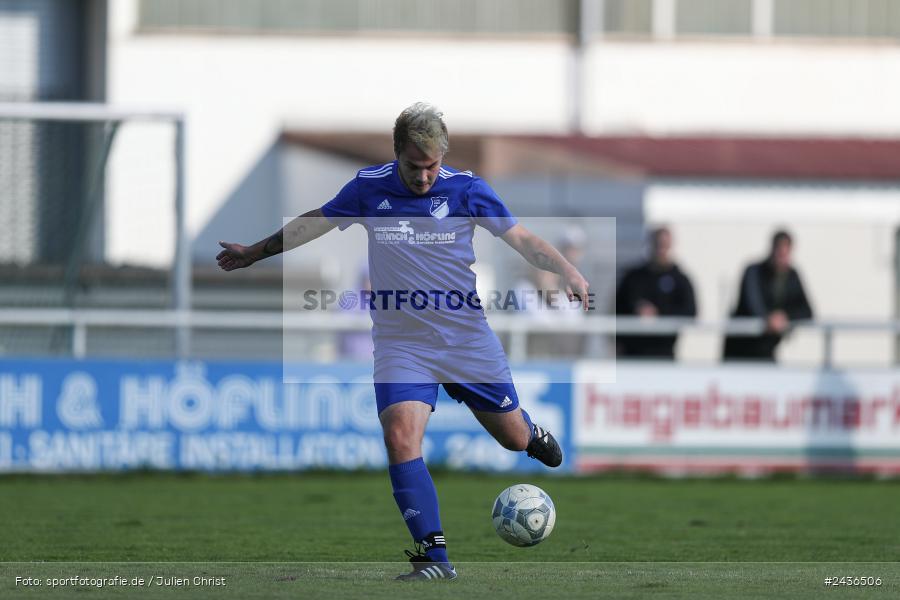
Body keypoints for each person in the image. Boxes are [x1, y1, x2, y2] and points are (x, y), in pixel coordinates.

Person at [216, 103, 589, 581]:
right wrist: (255, 252)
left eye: (432, 165)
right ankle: (434, 558)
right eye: (415, 166)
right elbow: (315, 221)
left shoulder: (468, 189)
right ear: (397, 155)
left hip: (464, 340)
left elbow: (522, 239)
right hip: (401, 344)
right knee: (399, 438)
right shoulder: (369, 188)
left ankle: (529, 432)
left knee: (512, 438)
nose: (425, 176)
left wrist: (568, 270)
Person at [723, 230, 813, 362]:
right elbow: (752, 302)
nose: (782, 258)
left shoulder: (792, 276)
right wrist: (768, 318)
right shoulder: (753, 271)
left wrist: (785, 317)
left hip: (766, 349)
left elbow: (807, 310)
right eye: (780, 253)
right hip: (740, 349)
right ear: (772, 250)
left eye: (785, 253)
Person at [615, 226, 697, 359]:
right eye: (658, 244)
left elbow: (690, 312)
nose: (661, 249)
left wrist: (659, 314)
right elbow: (617, 309)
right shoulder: (633, 277)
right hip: (631, 355)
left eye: (665, 245)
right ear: (650, 244)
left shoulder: (679, 279)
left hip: (663, 354)